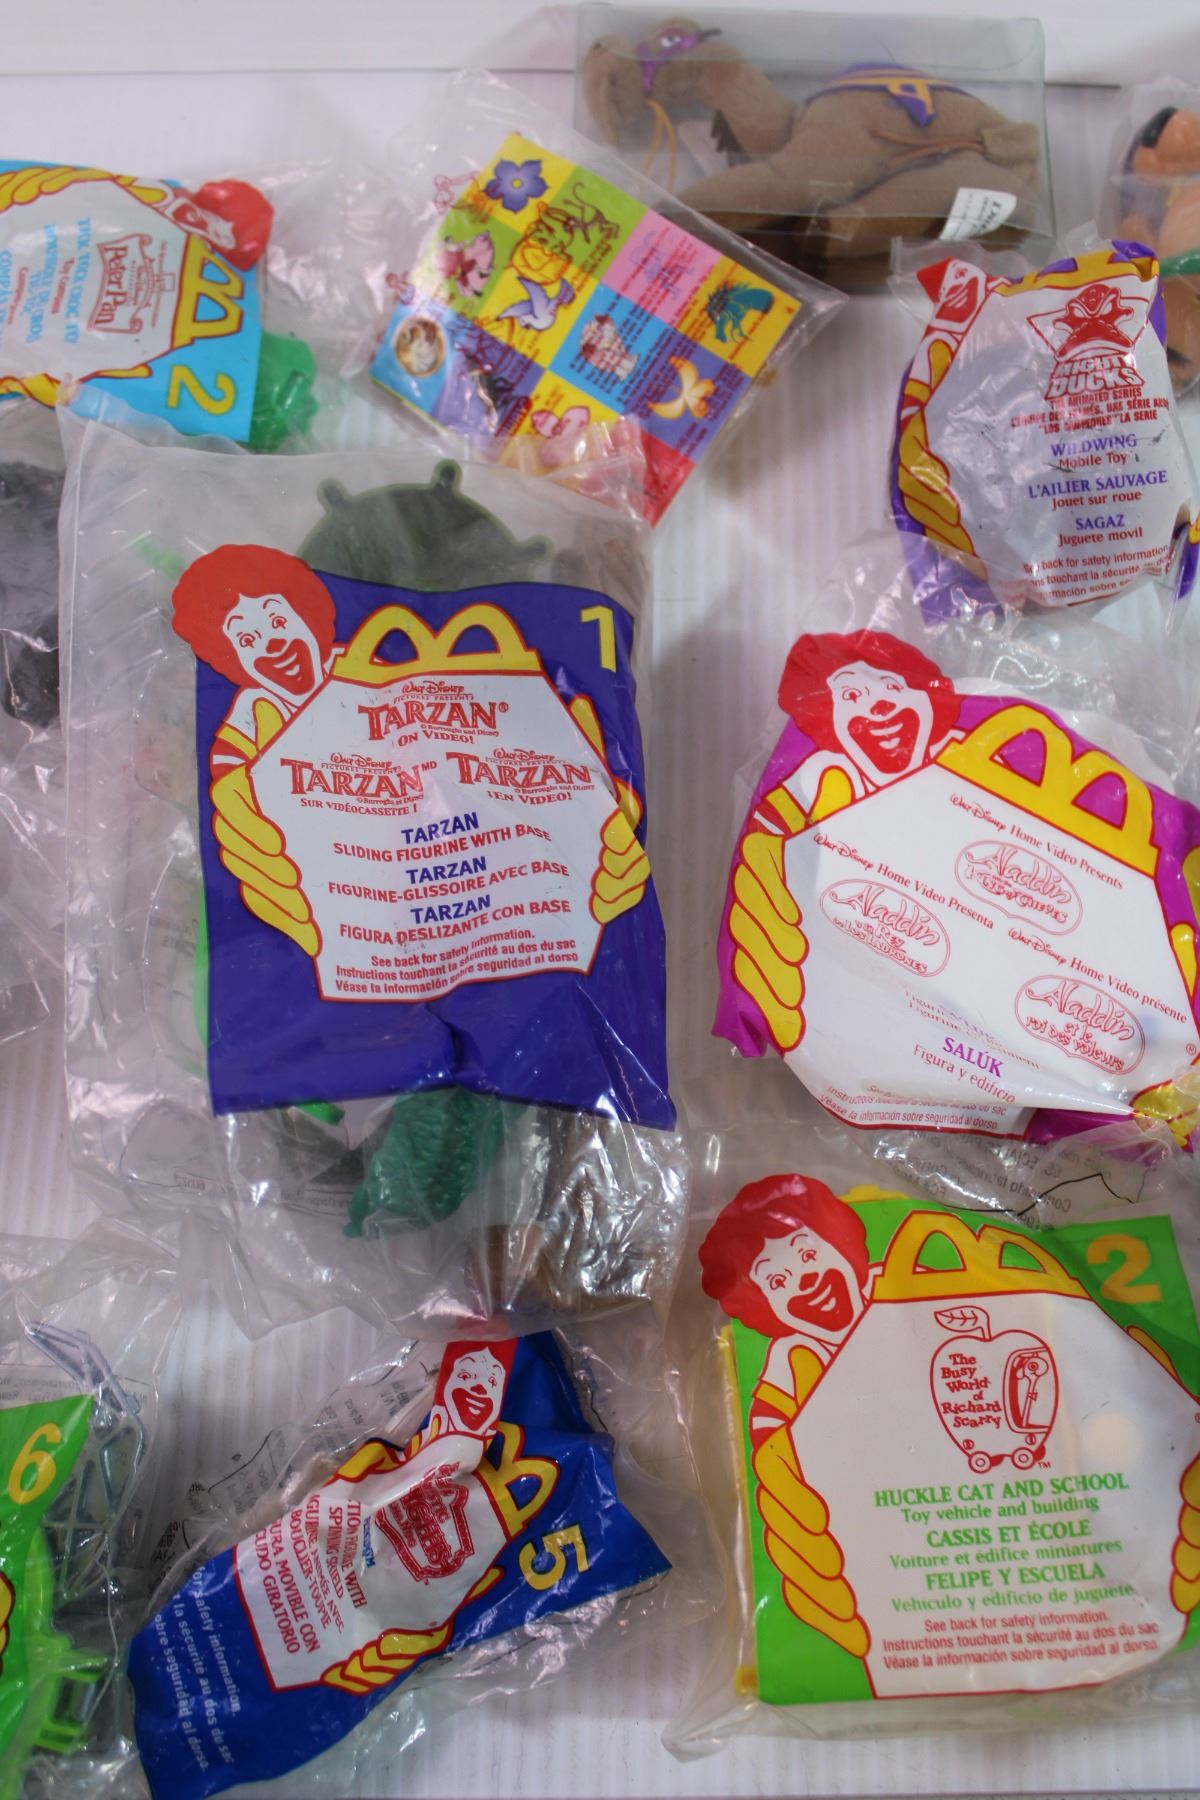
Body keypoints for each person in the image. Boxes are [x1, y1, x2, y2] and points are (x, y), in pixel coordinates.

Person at [172, 545, 337, 956]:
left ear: (309, 617)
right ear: (235, 660)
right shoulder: (254, 712)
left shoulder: (360, 670)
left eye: (278, 620)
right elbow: (229, 780)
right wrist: (244, 815)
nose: (274, 643)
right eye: (248, 638)